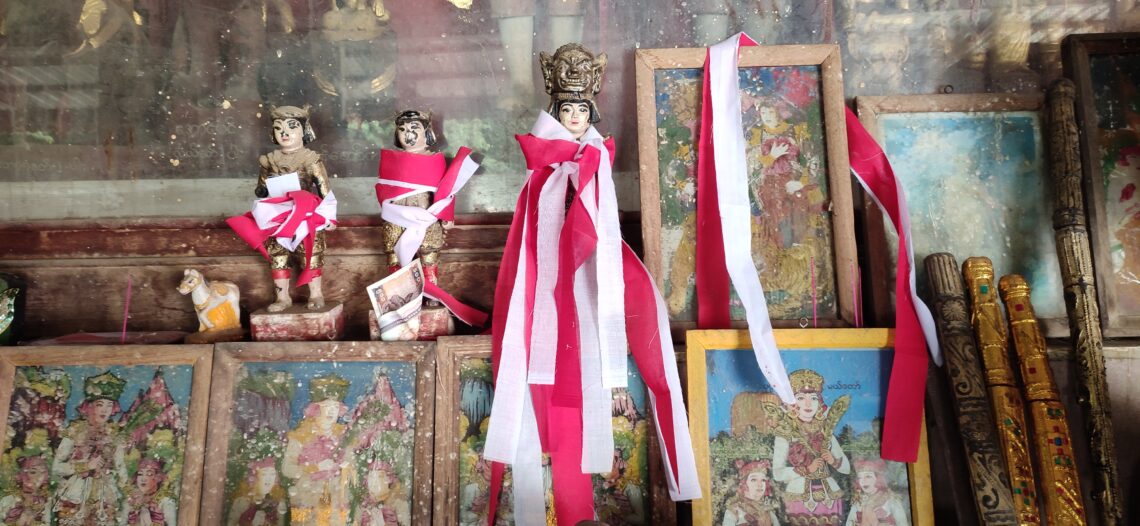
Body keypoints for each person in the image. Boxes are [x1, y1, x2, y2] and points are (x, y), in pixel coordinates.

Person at [228, 105, 337, 313]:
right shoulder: (269, 161)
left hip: (305, 214)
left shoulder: (310, 159)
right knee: (278, 255)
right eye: (279, 128)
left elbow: (325, 191)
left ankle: (315, 293)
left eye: (292, 127)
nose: (284, 133)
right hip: (278, 214)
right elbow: (260, 191)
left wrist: (329, 217)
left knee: (310, 252)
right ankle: (282, 296)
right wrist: (268, 182)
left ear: (304, 131)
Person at [771, 369, 851, 526]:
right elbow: (777, 473)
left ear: (819, 402)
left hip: (830, 497)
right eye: (800, 398)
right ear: (792, 405)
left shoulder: (826, 431)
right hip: (799, 496)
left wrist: (834, 461)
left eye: (813, 398)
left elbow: (846, 468)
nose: (808, 404)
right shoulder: (786, 434)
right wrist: (807, 469)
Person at [53, 371, 129, 526]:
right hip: (75, 493)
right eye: (100, 405)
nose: (105, 410)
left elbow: (121, 468)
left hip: (105, 495)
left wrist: (127, 489)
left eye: (109, 405)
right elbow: (56, 467)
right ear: (88, 406)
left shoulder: (114, 434)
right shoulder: (74, 431)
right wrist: (86, 465)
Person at [281, 374, 352, 526]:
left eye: (335, 407)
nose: (331, 412)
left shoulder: (344, 436)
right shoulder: (300, 435)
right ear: (316, 409)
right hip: (306, 501)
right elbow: (287, 469)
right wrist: (315, 467)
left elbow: (351, 468)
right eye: (327, 407)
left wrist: (347, 467)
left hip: (335, 503)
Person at [845, 459, 908, 526]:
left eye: (868, 476)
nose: (863, 481)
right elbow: (849, 523)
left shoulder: (891, 500)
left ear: (878, 478)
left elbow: (903, 523)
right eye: (860, 478)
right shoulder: (858, 502)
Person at [227, 458, 287, 526]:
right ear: (255, 477)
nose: (269, 479)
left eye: (272, 474)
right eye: (264, 474)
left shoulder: (279, 503)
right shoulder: (241, 502)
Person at [721, 460, 781, 526]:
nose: (760, 484)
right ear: (744, 483)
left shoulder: (769, 512)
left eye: (763, 480)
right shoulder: (734, 511)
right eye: (754, 480)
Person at [121, 457, 177, 526]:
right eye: (140, 474)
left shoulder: (166, 502)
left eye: (149, 474)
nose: (143, 479)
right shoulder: (130, 502)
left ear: (158, 477)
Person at [354, 459, 410, 525]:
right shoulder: (362, 507)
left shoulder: (399, 503)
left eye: (380, 477)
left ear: (389, 480)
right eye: (371, 477)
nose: (374, 482)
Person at [0, 455, 53, 525]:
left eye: (42, 472)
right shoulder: (8, 500)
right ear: (23, 475)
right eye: (33, 472)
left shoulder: (48, 503)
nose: (38, 477)